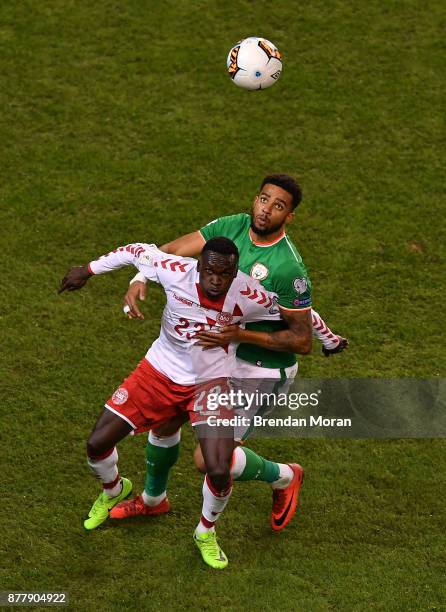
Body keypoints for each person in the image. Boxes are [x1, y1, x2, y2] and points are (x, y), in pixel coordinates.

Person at [59, 237, 311, 569]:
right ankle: (115, 490)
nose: (216, 280)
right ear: (199, 266)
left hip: (210, 383)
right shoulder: (175, 269)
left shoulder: (250, 294)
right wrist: (88, 270)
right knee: (97, 443)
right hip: (158, 373)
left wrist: (328, 338)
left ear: (236, 271)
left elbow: (300, 318)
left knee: (218, 468)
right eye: (209, 271)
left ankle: (205, 531)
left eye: (225, 274)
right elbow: (136, 251)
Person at [117, 173, 347, 506]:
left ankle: (285, 476)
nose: (267, 210)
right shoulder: (232, 227)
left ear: (289, 216)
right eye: (264, 199)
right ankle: (153, 501)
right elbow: (172, 250)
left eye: (278, 206)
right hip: (221, 355)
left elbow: (300, 341)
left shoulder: (287, 268)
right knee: (165, 422)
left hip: (261, 371)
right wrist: (141, 275)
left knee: (208, 461)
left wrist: (240, 334)